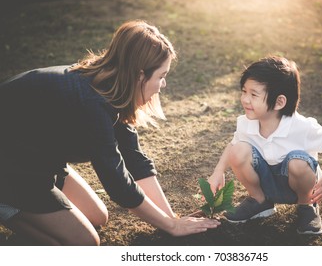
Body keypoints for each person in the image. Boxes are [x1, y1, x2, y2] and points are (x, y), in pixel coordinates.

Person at [0, 20, 220, 245]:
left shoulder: (113, 88)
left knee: (98, 217)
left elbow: (134, 160)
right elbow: (117, 183)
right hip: (13, 166)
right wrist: (171, 226)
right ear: (139, 75)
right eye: (161, 76)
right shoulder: (91, 104)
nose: (163, 85)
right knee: (84, 243)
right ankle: (5, 206)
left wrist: (172, 220)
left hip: (39, 158)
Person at [208, 56, 322, 234]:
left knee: (298, 162)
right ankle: (259, 201)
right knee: (238, 149)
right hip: (267, 183)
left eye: (253, 94)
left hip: (300, 186)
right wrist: (218, 171)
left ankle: (306, 208)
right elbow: (232, 146)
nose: (245, 99)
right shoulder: (247, 123)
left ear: (279, 102)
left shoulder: (300, 126)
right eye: (244, 91)